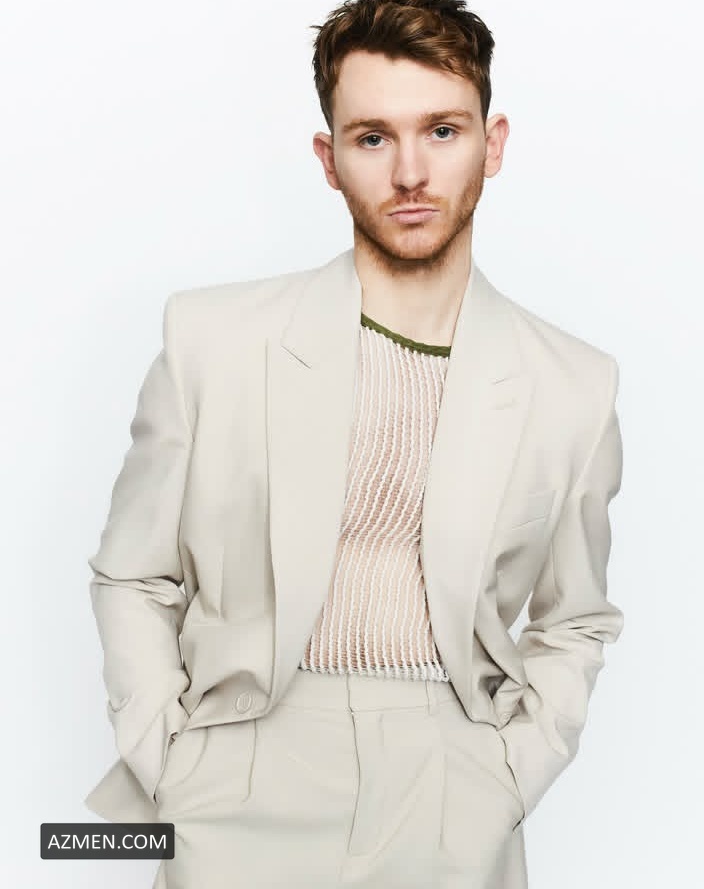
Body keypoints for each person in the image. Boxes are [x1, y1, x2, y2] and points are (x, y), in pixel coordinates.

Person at [83, 1, 625, 887]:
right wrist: (169, 760)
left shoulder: (573, 384)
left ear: (492, 145)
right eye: (373, 138)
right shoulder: (212, 340)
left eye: (442, 131)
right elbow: (133, 574)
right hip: (239, 767)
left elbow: (575, 618)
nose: (410, 172)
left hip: (453, 781)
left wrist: (510, 774)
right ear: (329, 159)